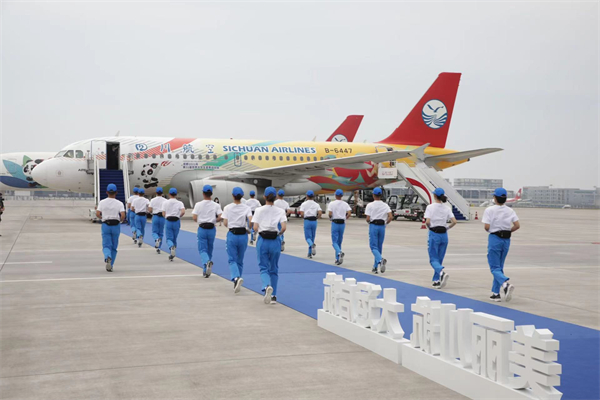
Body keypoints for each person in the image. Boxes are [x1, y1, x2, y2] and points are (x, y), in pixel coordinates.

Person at [483, 188, 520, 302]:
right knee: (499, 266)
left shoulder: (489, 210)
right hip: (506, 239)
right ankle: (495, 293)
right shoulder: (510, 211)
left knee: (494, 267)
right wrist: (508, 231)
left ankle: (505, 284)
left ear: (495, 198)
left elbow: (487, 227)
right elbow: (517, 225)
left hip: (495, 238)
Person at [252, 187, 287, 304]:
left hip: (263, 239)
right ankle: (274, 295)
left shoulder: (259, 210)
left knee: (263, 267)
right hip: (275, 239)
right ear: (275, 197)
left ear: (264, 197)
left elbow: (255, 227)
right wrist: (279, 234)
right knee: (274, 268)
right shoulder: (280, 211)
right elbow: (283, 227)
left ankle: (267, 286)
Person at [424, 188, 457, 289]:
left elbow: (427, 221)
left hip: (434, 233)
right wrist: (447, 227)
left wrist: (430, 228)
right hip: (444, 234)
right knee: (439, 258)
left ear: (434, 196)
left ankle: (441, 273)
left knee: (433, 259)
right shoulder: (447, 208)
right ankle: (436, 279)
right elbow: (454, 221)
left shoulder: (430, 207)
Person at [222, 187, 252, 293]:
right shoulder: (246, 208)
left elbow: (225, 223)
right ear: (242, 196)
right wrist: (249, 229)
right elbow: (250, 221)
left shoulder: (227, 207)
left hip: (232, 234)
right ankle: (238, 278)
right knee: (240, 259)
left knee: (232, 259)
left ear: (232, 195)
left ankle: (236, 277)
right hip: (243, 234)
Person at [192, 184, 223, 277]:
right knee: (210, 248)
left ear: (203, 193)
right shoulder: (216, 205)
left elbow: (194, 217)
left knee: (202, 249)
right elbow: (221, 216)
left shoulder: (198, 204)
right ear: (211, 194)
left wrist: (200, 219)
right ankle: (206, 270)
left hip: (202, 227)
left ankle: (206, 262)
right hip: (211, 228)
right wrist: (214, 220)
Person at [96, 184, 126, 272]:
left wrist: (103, 218)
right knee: (114, 246)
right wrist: (120, 220)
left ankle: (107, 256)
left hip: (106, 224)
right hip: (115, 225)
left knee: (106, 245)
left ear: (106, 192)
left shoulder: (102, 202)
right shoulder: (119, 203)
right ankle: (111, 264)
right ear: (116, 192)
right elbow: (123, 215)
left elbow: (98, 214)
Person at [365, 187, 392, 273]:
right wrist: (386, 223)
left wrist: (369, 222)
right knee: (379, 247)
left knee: (373, 246)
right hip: (382, 226)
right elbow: (390, 216)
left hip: (374, 225)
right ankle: (375, 266)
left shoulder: (370, 205)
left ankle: (380, 260)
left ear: (373, 195)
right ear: (381, 195)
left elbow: (368, 218)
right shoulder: (385, 205)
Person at [327, 189, 352, 265]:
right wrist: (346, 217)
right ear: (342, 196)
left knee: (334, 242)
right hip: (342, 223)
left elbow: (330, 213)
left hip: (335, 222)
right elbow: (349, 213)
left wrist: (330, 218)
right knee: (339, 241)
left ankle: (339, 252)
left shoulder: (332, 203)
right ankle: (337, 258)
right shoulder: (345, 204)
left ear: (335, 195)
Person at [162, 188, 185, 261]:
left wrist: (166, 216)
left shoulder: (165, 202)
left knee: (169, 238)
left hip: (168, 220)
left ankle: (171, 247)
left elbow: (163, 213)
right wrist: (179, 216)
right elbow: (183, 211)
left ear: (169, 194)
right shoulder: (180, 203)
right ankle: (174, 248)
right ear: (176, 194)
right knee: (175, 237)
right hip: (176, 220)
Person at [299, 190, 322, 258]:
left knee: (307, 237)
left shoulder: (304, 204)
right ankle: (309, 253)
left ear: (307, 196)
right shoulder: (316, 204)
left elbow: (302, 213)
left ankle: (311, 245)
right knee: (312, 236)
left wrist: (304, 217)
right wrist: (317, 217)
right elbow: (320, 212)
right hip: (314, 220)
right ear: (313, 196)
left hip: (307, 220)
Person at [148, 187, 167, 254]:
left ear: (156, 193)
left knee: (154, 232)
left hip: (155, 216)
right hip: (162, 217)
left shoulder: (152, 200)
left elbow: (150, 209)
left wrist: (152, 212)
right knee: (161, 232)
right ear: (162, 193)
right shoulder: (165, 200)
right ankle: (159, 247)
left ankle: (156, 239)